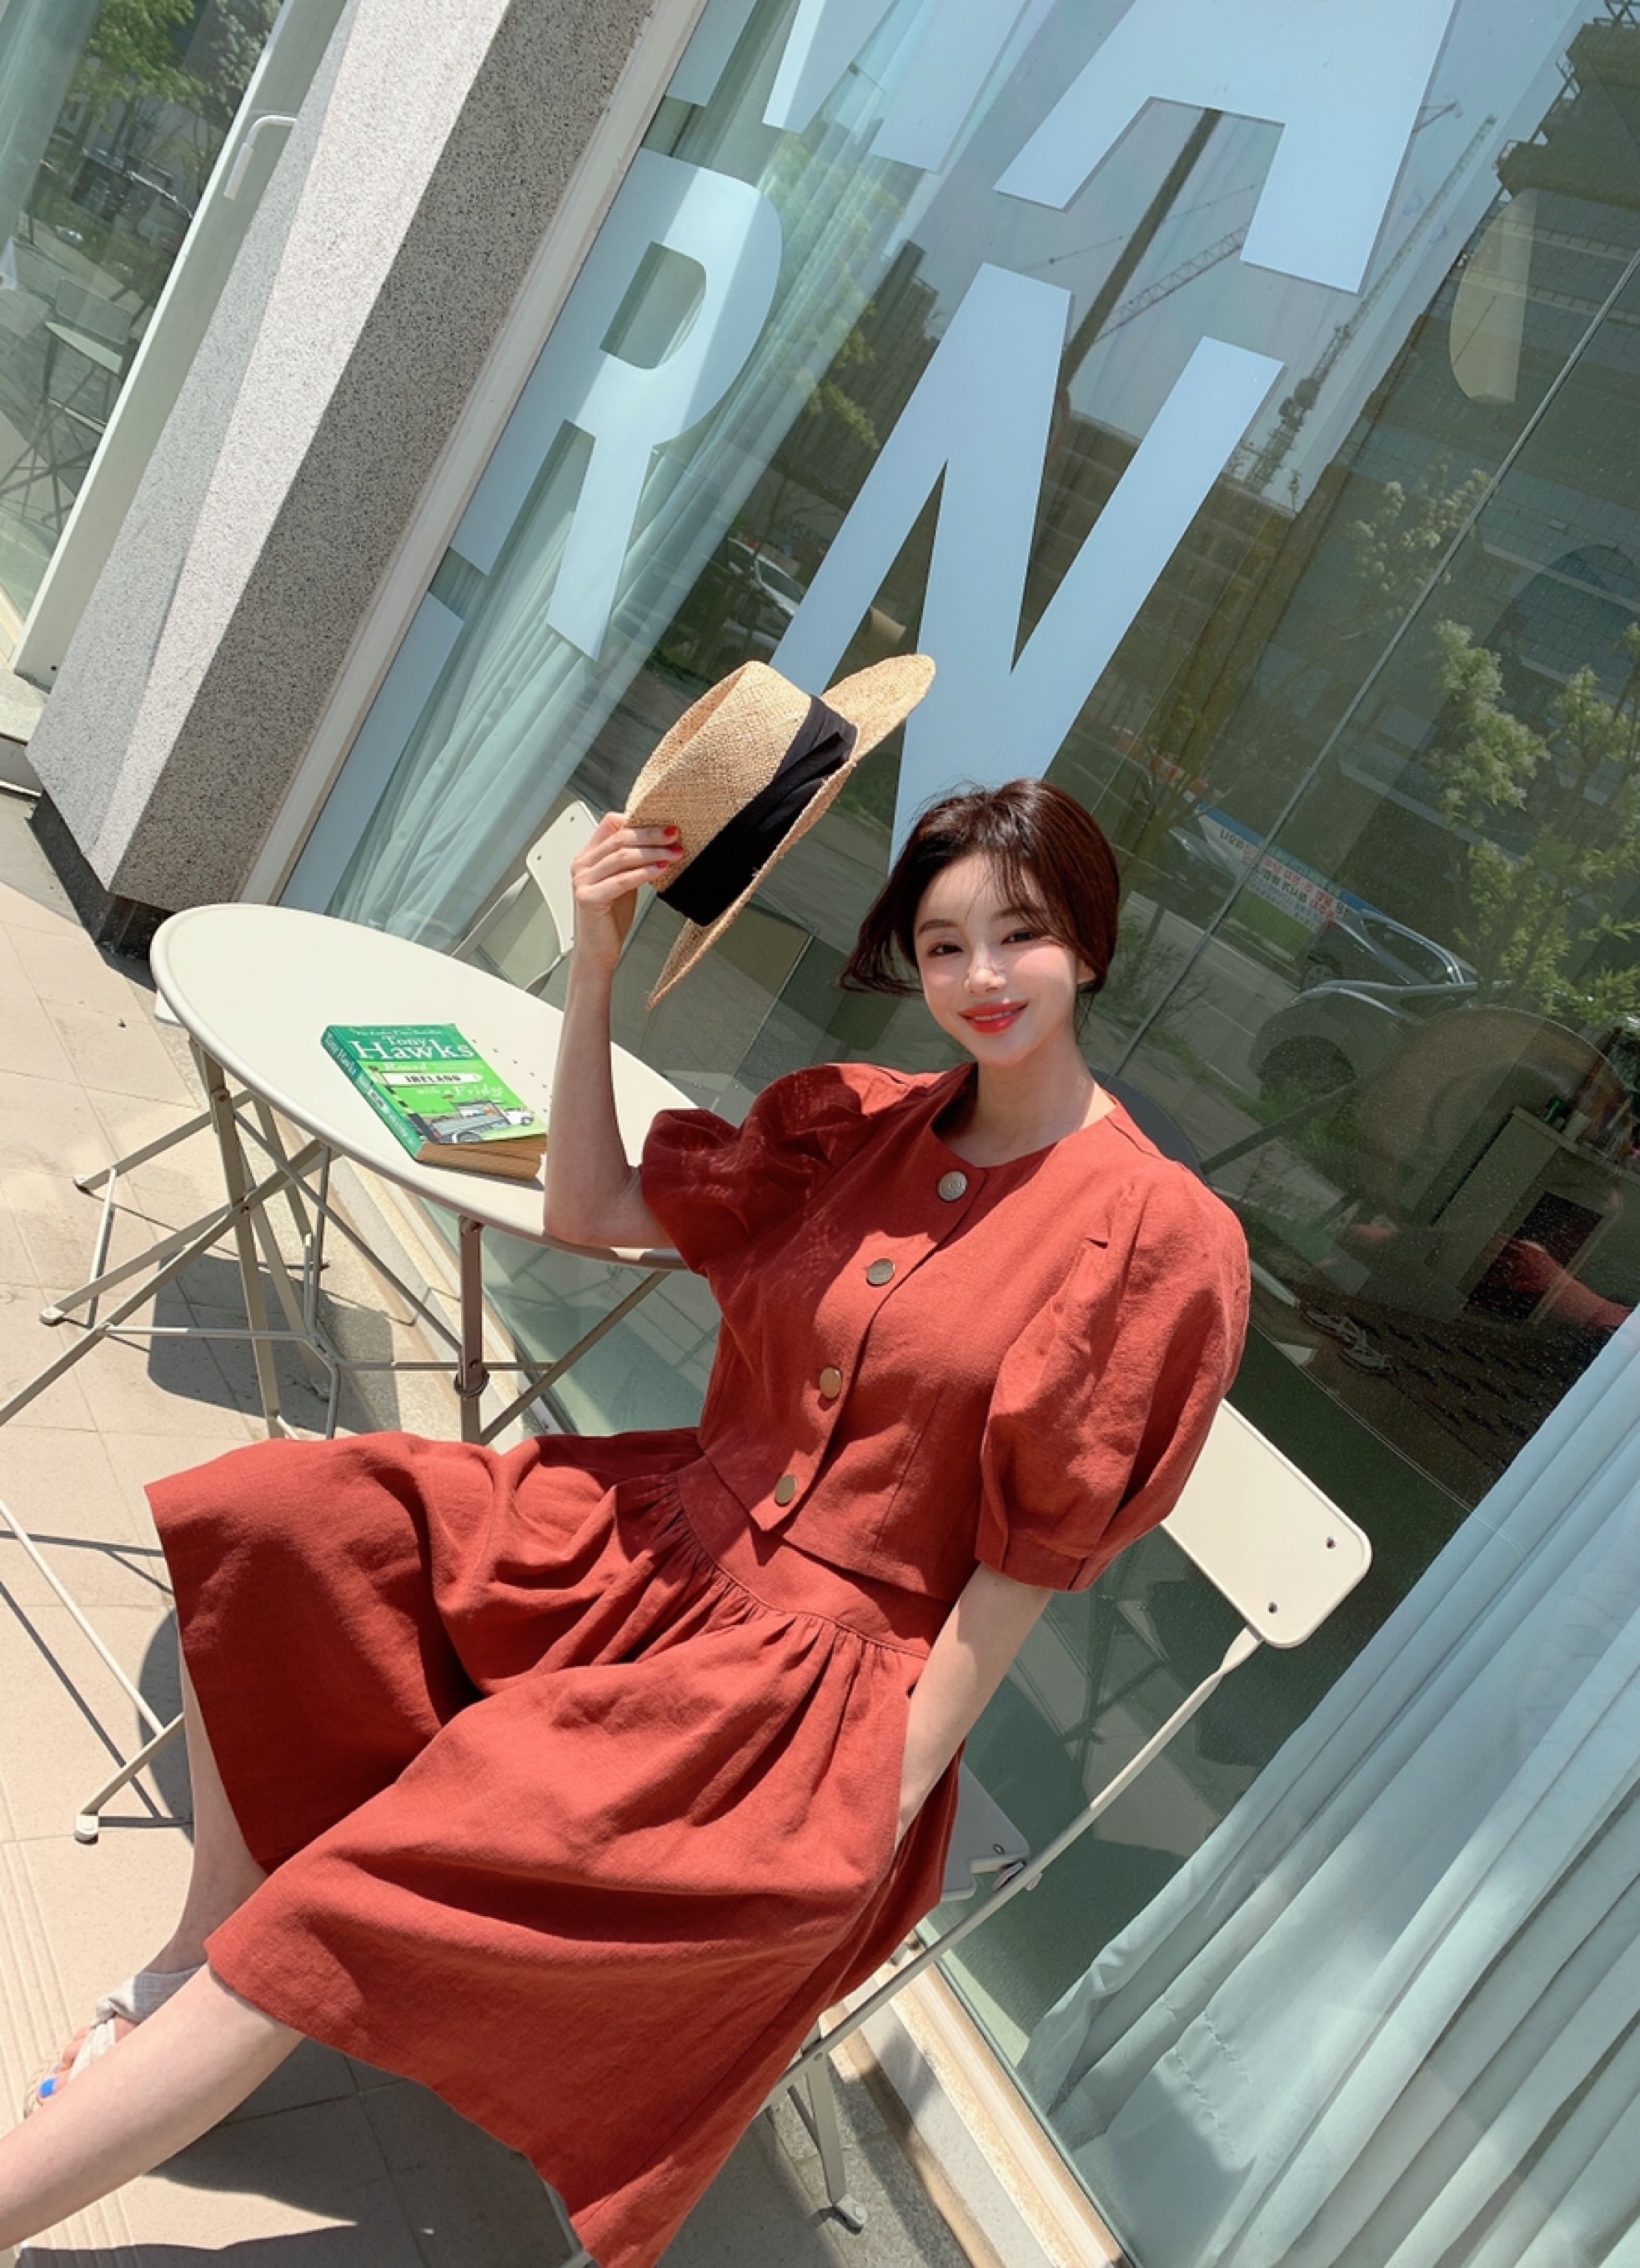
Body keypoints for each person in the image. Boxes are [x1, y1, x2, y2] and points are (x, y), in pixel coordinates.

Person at [0, 757, 1247, 2268]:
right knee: (284, 1518)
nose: (982, 977)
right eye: (943, 944)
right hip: (644, 1545)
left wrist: (882, 1804)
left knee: (357, 1888)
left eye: (1021, 934)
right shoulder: (854, 1126)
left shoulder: (1154, 1237)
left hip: (802, 1705)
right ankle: (199, 1946)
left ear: (1090, 946)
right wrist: (593, 966)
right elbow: (587, 1210)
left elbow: (1021, 1568)